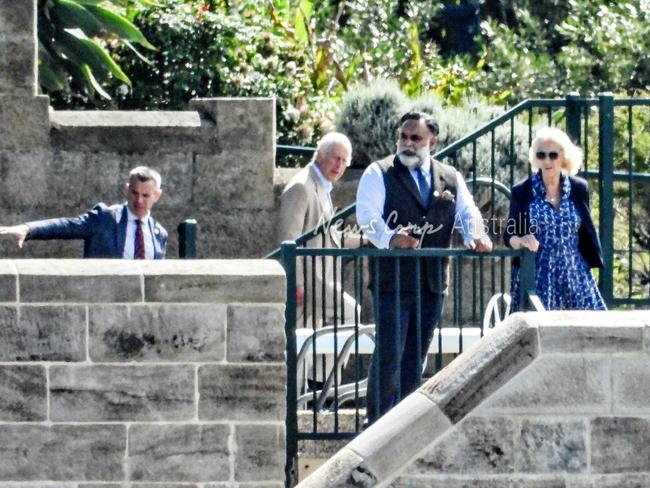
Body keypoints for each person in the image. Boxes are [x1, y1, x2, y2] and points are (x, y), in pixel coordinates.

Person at [356, 111, 492, 424]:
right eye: (403, 136)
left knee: (415, 357)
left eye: (415, 138)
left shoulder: (450, 176)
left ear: (433, 141)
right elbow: (367, 216)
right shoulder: (379, 172)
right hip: (392, 280)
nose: (407, 143)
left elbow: (467, 213)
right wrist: (391, 238)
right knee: (389, 355)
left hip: (432, 280)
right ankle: (375, 423)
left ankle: (404, 426)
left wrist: (476, 235)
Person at [277, 132, 361, 391]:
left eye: (344, 160)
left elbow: (330, 235)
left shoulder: (321, 187)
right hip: (309, 282)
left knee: (310, 338)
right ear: (319, 155)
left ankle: (317, 389)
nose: (339, 165)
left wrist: (368, 240)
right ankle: (313, 392)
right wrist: (296, 283)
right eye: (335, 158)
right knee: (344, 315)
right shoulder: (302, 186)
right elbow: (287, 237)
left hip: (320, 282)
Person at [504, 126, 605, 311]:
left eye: (553, 155)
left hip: (574, 271)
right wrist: (521, 241)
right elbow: (508, 235)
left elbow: (584, 228)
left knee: (590, 330)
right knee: (539, 334)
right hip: (538, 272)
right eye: (541, 155)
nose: (547, 160)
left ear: (564, 157)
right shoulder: (522, 191)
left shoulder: (579, 188)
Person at [0, 166, 167, 259]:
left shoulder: (159, 234)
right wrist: (29, 229)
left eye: (145, 195)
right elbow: (68, 226)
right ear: (127, 190)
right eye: (134, 193)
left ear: (157, 196)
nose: (139, 201)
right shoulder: (106, 218)